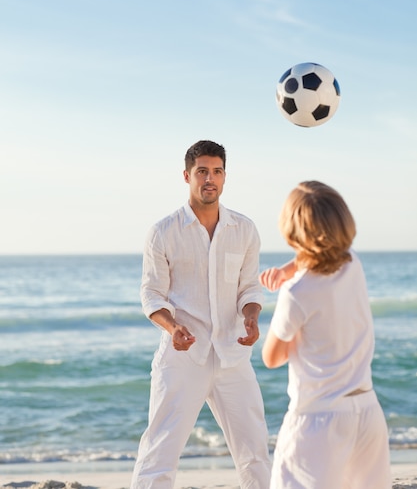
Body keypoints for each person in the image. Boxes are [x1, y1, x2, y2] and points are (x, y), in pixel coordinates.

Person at [130, 140, 271, 489]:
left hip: (232, 356)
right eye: (203, 172)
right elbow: (151, 294)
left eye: (217, 171)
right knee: (159, 452)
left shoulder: (245, 229)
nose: (211, 179)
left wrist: (251, 316)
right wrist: (173, 326)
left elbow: (249, 288)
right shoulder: (163, 232)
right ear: (187, 176)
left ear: (225, 176)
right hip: (182, 357)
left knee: (254, 451)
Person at [259, 181, 391, 489]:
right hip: (367, 413)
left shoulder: (297, 293)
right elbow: (319, 257)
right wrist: (286, 271)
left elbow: (272, 357)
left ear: (293, 231)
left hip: (318, 420)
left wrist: (289, 307)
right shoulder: (353, 264)